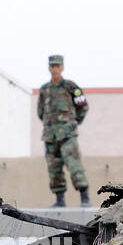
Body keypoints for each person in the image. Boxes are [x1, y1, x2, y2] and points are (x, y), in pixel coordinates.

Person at [36, 54, 90, 207]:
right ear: (48, 68)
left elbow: (83, 106)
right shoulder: (44, 89)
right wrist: (50, 125)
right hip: (50, 137)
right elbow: (40, 112)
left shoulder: (70, 87)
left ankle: (85, 198)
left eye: (57, 66)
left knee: (74, 166)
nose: (54, 69)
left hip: (67, 135)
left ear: (62, 67)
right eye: (52, 66)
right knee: (54, 169)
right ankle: (60, 201)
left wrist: (73, 123)